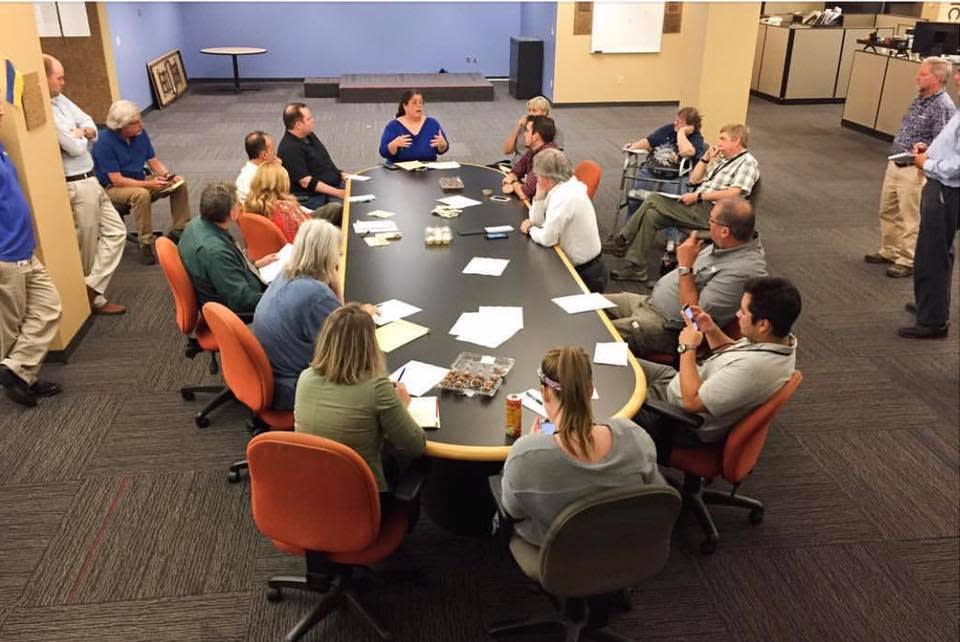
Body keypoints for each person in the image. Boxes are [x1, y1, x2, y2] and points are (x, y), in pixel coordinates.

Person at [498, 346, 664, 547]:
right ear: (590, 390)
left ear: (545, 393)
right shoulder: (635, 437)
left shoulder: (525, 456)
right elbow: (657, 493)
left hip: (558, 554)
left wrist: (534, 445)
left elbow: (512, 510)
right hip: (622, 544)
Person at [635, 277, 800, 459]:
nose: (737, 315)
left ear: (763, 325)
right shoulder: (777, 340)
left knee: (607, 399)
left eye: (743, 312)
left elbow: (692, 403)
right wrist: (711, 329)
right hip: (677, 382)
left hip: (676, 417)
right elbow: (734, 353)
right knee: (617, 361)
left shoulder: (753, 369)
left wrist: (687, 348)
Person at [605, 198, 766, 355]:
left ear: (725, 231)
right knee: (587, 306)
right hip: (648, 303)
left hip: (666, 327)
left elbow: (694, 319)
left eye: (711, 221)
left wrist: (685, 267)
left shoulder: (742, 270)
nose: (708, 226)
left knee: (598, 336)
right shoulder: (727, 244)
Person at [294, 303, 426, 492]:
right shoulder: (377, 387)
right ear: (370, 344)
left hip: (314, 489)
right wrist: (402, 404)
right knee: (408, 461)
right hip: (362, 498)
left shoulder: (305, 378)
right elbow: (415, 446)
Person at [605, 124, 759, 284]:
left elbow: (735, 193)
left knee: (653, 199)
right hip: (699, 205)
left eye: (723, 139)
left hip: (717, 213)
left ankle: (622, 240)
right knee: (652, 215)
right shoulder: (722, 159)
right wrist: (706, 158)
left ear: (736, 141)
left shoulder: (747, 163)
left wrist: (699, 196)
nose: (719, 143)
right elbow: (693, 180)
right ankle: (637, 268)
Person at [44, 54, 126, 315]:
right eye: (59, 78)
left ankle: (90, 289)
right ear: (45, 78)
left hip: (91, 178)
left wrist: (82, 133)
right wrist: (80, 135)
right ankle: (92, 300)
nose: (64, 82)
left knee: (116, 233)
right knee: (87, 247)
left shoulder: (61, 101)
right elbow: (75, 147)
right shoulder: (47, 112)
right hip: (76, 185)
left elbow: (91, 124)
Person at [864, 57, 956, 279]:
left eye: (923, 74)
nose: (917, 77)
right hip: (896, 161)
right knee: (888, 210)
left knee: (910, 216)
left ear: (937, 78)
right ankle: (890, 250)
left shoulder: (943, 106)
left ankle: (907, 259)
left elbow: (943, 143)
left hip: (915, 169)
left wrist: (925, 158)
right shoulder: (920, 99)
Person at [0, 101, 63, 407]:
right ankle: (20, 378)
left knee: (48, 306)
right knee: (8, 325)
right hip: (6, 256)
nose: (1, 111)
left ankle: (17, 371)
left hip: (24, 249)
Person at [253, 220, 347, 410]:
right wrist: (338, 290)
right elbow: (345, 346)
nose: (338, 259)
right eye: (338, 254)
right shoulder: (317, 296)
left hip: (271, 371)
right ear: (328, 257)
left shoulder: (286, 273)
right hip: (291, 386)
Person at [899, 65, 960, 339]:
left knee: (932, 255)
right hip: (942, 187)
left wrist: (928, 162)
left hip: (946, 190)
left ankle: (932, 321)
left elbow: (957, 165)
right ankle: (930, 306)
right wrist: (930, 150)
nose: (956, 77)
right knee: (937, 252)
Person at [92, 100, 191, 265]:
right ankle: (145, 243)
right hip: (112, 188)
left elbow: (153, 162)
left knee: (179, 184)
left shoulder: (139, 134)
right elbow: (117, 179)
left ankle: (179, 230)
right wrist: (150, 185)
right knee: (141, 195)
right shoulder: (104, 142)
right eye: (135, 122)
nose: (140, 124)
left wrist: (169, 176)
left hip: (138, 179)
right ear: (121, 126)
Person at [178, 182, 276, 315]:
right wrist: (280, 299)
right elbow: (242, 301)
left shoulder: (195, 224)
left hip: (231, 289)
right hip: (236, 313)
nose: (241, 206)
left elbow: (228, 268)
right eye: (238, 204)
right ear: (231, 213)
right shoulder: (215, 252)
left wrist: (255, 264)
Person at [519, 149, 606, 292]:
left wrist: (530, 230)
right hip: (580, 266)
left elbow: (548, 238)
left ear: (546, 179)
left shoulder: (564, 197)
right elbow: (538, 221)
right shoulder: (564, 184)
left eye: (538, 176)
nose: (536, 179)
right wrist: (539, 196)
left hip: (586, 275)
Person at [276, 102, 348, 213]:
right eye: (309, 119)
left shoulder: (308, 135)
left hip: (332, 183)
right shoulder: (289, 149)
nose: (313, 120)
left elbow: (324, 160)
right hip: (314, 196)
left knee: (363, 189)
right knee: (351, 208)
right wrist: (338, 192)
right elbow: (306, 182)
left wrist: (340, 173)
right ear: (298, 124)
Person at [244, 161, 342, 241]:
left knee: (334, 208)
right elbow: (305, 234)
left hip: (301, 229)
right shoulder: (285, 209)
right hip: (305, 239)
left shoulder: (251, 204)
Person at [626, 106, 706, 200]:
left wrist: (681, 132)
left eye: (679, 122)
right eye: (676, 120)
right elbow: (649, 141)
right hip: (651, 169)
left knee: (666, 203)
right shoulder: (668, 129)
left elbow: (686, 152)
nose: (675, 123)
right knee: (635, 198)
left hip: (675, 177)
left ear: (690, 126)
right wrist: (633, 146)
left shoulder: (696, 138)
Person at [379, 89, 449, 164]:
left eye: (421, 102)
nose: (419, 105)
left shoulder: (432, 123)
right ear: (405, 106)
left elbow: (442, 150)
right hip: (400, 172)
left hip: (427, 171)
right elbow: (383, 152)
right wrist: (393, 145)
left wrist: (443, 145)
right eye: (414, 103)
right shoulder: (394, 126)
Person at [502, 115, 557, 202]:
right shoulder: (534, 148)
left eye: (527, 131)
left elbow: (525, 193)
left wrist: (512, 183)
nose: (524, 134)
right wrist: (511, 180)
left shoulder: (546, 158)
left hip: (549, 209)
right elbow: (517, 170)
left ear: (536, 136)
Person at [502, 95, 565, 163]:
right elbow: (507, 151)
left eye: (534, 110)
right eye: (529, 110)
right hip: (516, 165)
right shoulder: (522, 128)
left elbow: (556, 158)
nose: (531, 114)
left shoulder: (555, 131)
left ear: (545, 112)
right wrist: (518, 127)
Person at [235, 130, 275, 204]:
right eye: (272, 150)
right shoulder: (259, 179)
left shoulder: (248, 172)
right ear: (264, 155)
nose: (275, 154)